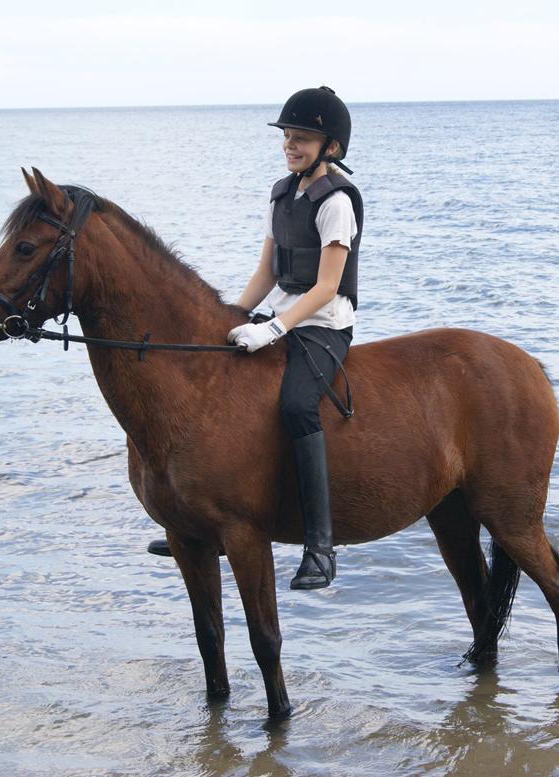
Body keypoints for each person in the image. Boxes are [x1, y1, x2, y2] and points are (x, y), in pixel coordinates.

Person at [148, 86, 363, 590]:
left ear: (330, 146)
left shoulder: (336, 203)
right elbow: (267, 270)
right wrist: (234, 316)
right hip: (281, 316)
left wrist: (273, 328)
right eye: (288, 136)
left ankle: (320, 544)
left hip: (324, 324)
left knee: (296, 407)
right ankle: (202, 521)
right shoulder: (281, 193)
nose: (291, 145)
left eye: (303, 138)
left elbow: (327, 286)